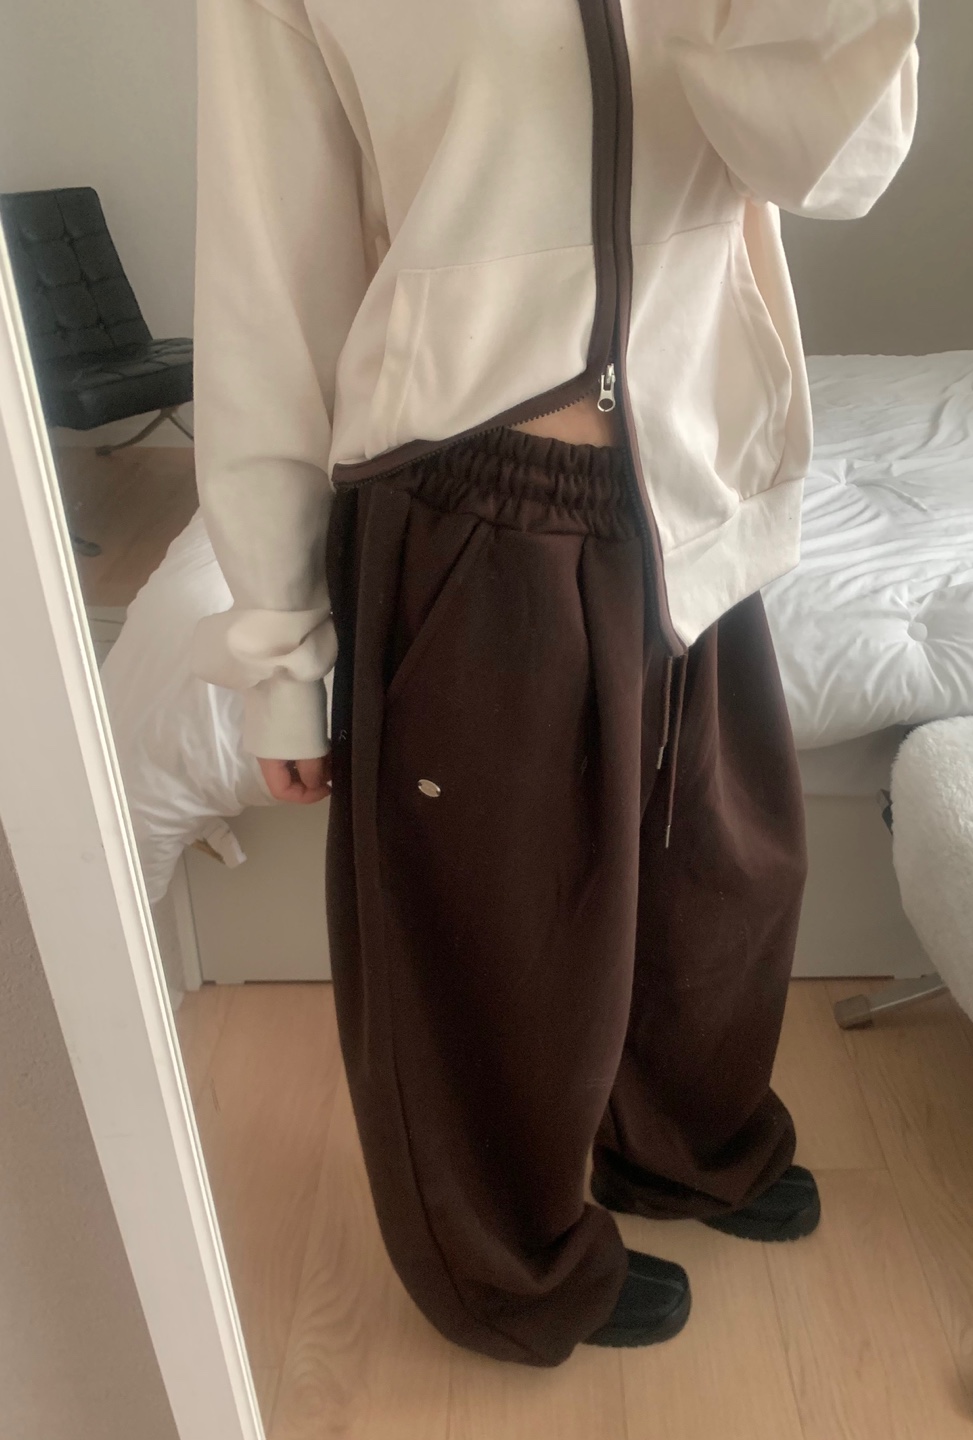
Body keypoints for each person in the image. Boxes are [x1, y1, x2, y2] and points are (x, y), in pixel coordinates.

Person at [190, 0, 920, 1367]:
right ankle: (501, 1265)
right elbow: (265, 277)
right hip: (471, 490)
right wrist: (283, 646)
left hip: (695, 474)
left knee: (723, 870)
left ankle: (678, 1145)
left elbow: (839, 162)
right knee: (495, 934)